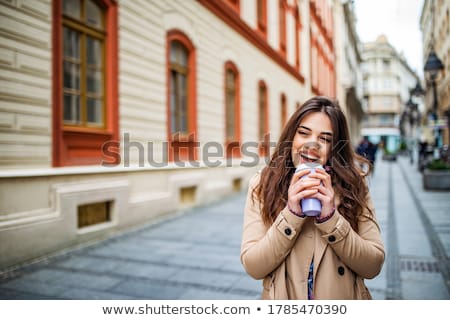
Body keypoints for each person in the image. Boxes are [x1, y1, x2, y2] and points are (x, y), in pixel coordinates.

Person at [240, 96, 385, 299]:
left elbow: (373, 266)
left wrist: (330, 220)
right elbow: (254, 267)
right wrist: (291, 214)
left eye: (325, 139)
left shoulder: (353, 186)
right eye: (303, 133)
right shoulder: (263, 184)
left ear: (335, 147)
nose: (312, 145)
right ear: (292, 136)